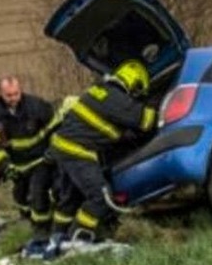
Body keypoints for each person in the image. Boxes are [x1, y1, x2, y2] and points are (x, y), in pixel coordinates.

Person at [44, 59, 157, 254]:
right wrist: (157, 105)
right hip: (77, 151)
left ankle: (56, 239)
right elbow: (147, 121)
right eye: (138, 90)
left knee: (70, 199)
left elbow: (106, 127)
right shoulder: (119, 101)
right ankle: (78, 242)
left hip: (62, 148)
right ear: (134, 84)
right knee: (100, 198)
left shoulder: (98, 90)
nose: (136, 95)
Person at [0, 76, 57, 256]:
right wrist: (5, 165)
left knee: (37, 192)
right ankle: (27, 219)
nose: (13, 98)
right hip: (16, 164)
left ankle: (42, 229)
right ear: (1, 94)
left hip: (40, 159)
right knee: (20, 195)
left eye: (16, 93)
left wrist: (54, 152)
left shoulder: (37, 106)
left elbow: (55, 128)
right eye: (9, 95)